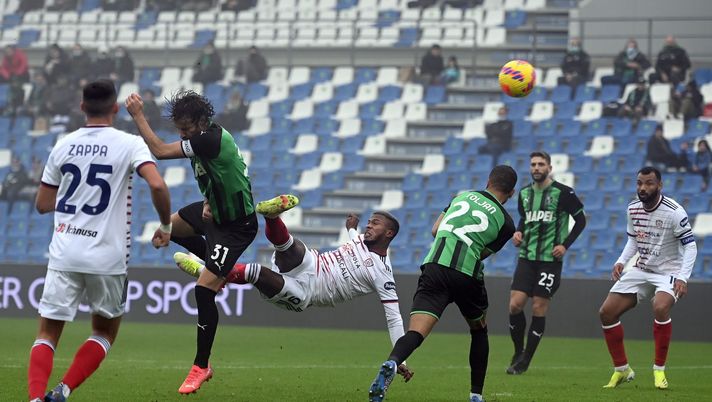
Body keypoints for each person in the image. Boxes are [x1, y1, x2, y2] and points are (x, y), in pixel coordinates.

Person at [27, 79, 172, 402]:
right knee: (104, 332)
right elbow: (159, 186)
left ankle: (36, 398)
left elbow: (42, 204)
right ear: (115, 108)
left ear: (82, 108)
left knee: (47, 334)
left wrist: (74, 196)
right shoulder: (130, 144)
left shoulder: (63, 145)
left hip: (65, 253)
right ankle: (63, 390)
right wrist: (166, 225)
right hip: (107, 258)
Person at [175, 196, 413, 378]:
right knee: (291, 247)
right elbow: (354, 238)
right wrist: (352, 226)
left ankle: (213, 273)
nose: (369, 227)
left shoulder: (383, 273)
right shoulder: (360, 239)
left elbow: (393, 318)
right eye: (369, 222)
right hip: (313, 263)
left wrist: (399, 358)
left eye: (376, 224)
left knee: (257, 272)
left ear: (389, 233)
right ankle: (271, 216)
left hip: (307, 292)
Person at [125, 89, 258, 395]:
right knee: (167, 230)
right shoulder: (203, 139)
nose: (183, 135)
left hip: (236, 226)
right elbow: (223, 176)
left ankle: (201, 366)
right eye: (179, 130)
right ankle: (218, 268)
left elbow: (158, 151)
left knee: (203, 291)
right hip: (216, 214)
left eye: (186, 129)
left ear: (201, 121)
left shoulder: (209, 140)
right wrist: (210, 200)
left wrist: (138, 115)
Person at [369, 165, 518, 402]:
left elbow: (435, 229)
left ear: (488, 180)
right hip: (465, 274)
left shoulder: (462, 196)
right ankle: (476, 395)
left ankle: (392, 362)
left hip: (435, 267)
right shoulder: (507, 224)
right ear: (511, 193)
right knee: (479, 330)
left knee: (416, 332)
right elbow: (481, 253)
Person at [598, 166, 697, 390]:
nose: (643, 188)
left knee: (660, 307)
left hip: (669, 271)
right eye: (640, 183)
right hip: (642, 268)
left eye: (649, 183)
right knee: (606, 312)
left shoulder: (674, 211)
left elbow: (690, 247)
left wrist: (683, 277)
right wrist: (621, 261)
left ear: (659, 185)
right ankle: (622, 370)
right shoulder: (632, 209)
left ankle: (659, 371)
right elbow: (633, 240)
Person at [507, 151, 586, 375]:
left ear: (549, 168)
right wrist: (519, 232)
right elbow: (525, 218)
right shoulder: (524, 194)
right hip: (527, 257)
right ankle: (518, 350)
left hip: (550, 260)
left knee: (539, 307)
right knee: (515, 305)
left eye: (541, 164)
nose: (536, 168)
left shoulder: (564, 193)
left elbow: (580, 220)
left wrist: (565, 245)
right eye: (533, 164)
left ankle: (525, 361)